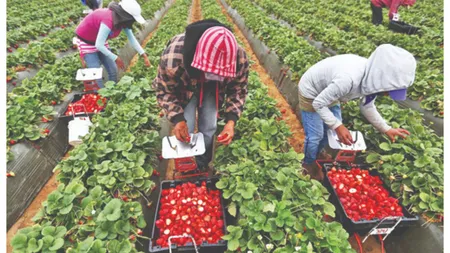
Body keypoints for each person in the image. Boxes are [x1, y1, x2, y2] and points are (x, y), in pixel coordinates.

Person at [298, 44, 416, 180]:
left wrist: (386, 129)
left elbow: (367, 106)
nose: (389, 94)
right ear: (382, 80)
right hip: (312, 92)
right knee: (316, 135)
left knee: (329, 133)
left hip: (331, 94)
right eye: (390, 90)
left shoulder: (373, 80)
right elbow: (318, 103)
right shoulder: (348, 79)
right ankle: (308, 163)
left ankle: (318, 153)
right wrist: (338, 126)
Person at [153, 19, 249, 172]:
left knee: (210, 125)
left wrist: (231, 122)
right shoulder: (174, 58)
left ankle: (202, 163)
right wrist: (178, 119)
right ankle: (185, 164)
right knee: (187, 126)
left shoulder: (238, 57)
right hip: (186, 83)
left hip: (213, 88)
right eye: (210, 73)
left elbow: (238, 89)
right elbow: (164, 91)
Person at [75, 0, 151, 88]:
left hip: (100, 40)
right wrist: (116, 58)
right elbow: (99, 45)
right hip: (86, 41)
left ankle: (112, 93)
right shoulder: (109, 20)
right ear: (126, 15)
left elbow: (132, 39)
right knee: (95, 74)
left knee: (113, 70)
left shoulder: (122, 21)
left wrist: (144, 55)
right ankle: (101, 98)